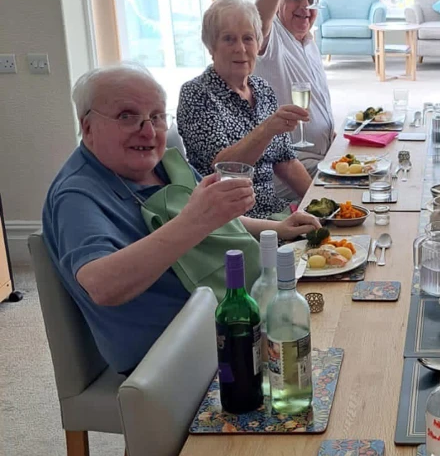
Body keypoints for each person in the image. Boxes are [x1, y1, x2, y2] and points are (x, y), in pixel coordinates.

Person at [42, 64, 320, 375]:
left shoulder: (159, 164)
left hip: (232, 313)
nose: (148, 131)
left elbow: (216, 222)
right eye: (126, 116)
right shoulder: (76, 195)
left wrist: (278, 228)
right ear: (88, 126)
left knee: (337, 310)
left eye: (157, 117)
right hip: (173, 351)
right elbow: (102, 286)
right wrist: (194, 221)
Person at [177, 0, 314, 219]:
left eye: (248, 39)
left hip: (274, 211)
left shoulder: (262, 89)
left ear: (258, 45)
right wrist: (267, 129)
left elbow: (286, 162)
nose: (240, 48)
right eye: (229, 39)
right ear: (211, 47)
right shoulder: (197, 94)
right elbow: (223, 168)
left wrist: (322, 205)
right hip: (232, 221)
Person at [255, 0, 336, 200]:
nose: (304, 6)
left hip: (321, 158)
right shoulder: (272, 39)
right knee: (366, 189)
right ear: (280, 1)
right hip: (291, 168)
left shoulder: (308, 42)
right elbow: (256, 20)